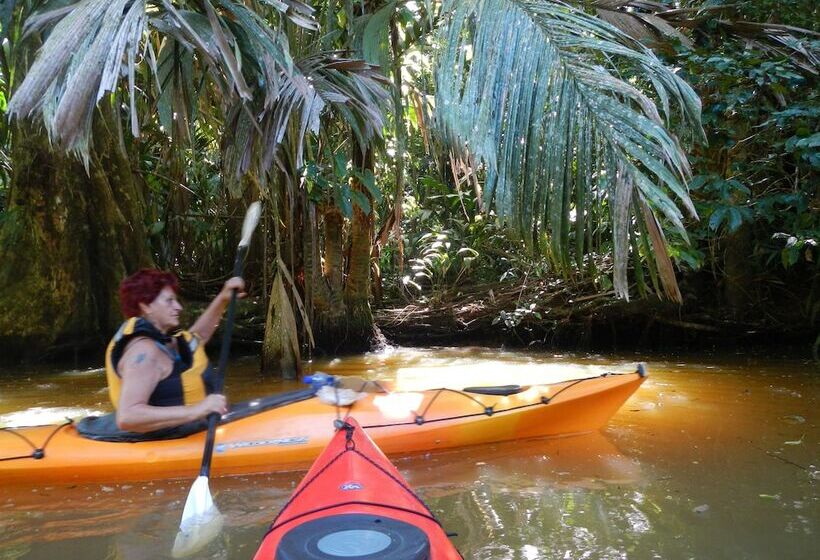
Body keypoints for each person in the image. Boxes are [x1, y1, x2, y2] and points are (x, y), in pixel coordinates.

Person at [104, 269, 245, 433]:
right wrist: (198, 410)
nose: (178, 307)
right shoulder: (143, 353)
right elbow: (128, 417)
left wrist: (222, 299)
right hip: (163, 442)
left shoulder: (162, 342)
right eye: (169, 301)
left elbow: (198, 338)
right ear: (145, 306)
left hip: (192, 429)